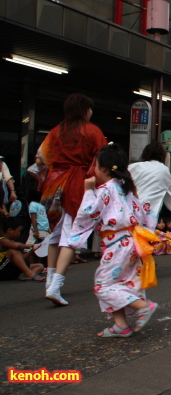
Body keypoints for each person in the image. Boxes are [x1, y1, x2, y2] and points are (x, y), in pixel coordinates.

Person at [67, 143, 159, 337]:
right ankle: (121, 325)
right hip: (130, 242)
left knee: (103, 285)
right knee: (119, 282)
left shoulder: (106, 190)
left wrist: (88, 191)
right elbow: (143, 213)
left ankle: (144, 306)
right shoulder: (126, 189)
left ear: (104, 169)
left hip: (117, 244)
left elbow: (89, 212)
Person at [40, 93, 107, 306]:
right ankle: (56, 285)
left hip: (53, 184)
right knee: (72, 235)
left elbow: (41, 157)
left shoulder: (55, 131)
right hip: (77, 184)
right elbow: (103, 158)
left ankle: (49, 281)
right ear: (84, 110)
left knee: (55, 234)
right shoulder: (92, 131)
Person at [128, 143, 171, 222]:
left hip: (129, 209)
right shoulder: (164, 169)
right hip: (149, 212)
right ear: (162, 155)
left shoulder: (133, 166)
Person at [0, 217, 44, 281]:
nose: (19, 233)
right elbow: (17, 246)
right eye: (19, 231)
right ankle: (31, 274)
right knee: (13, 251)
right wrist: (27, 246)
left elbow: (21, 259)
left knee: (39, 266)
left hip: (10, 270)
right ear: (10, 230)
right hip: (1, 270)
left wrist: (31, 251)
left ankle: (28, 277)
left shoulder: (12, 242)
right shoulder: (2, 240)